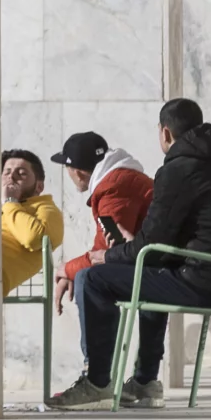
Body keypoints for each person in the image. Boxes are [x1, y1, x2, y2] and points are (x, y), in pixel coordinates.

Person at [51, 100, 211, 410]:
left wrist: (106, 257)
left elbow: (151, 242)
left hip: (209, 283)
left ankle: (97, 382)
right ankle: (145, 382)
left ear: (165, 133)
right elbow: (158, 244)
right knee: (152, 267)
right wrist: (131, 250)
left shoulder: (177, 170)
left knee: (92, 279)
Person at [51, 130, 153, 313]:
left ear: (78, 173)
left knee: (89, 279)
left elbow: (107, 251)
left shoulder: (113, 188)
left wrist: (67, 269)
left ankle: (101, 343)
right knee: (86, 274)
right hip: (155, 261)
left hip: (157, 267)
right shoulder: (123, 179)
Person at [0, 150, 66, 295]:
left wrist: (10, 201)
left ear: (39, 187)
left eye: (21, 173)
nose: (11, 177)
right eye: (6, 172)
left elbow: (34, 238)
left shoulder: (47, 209)